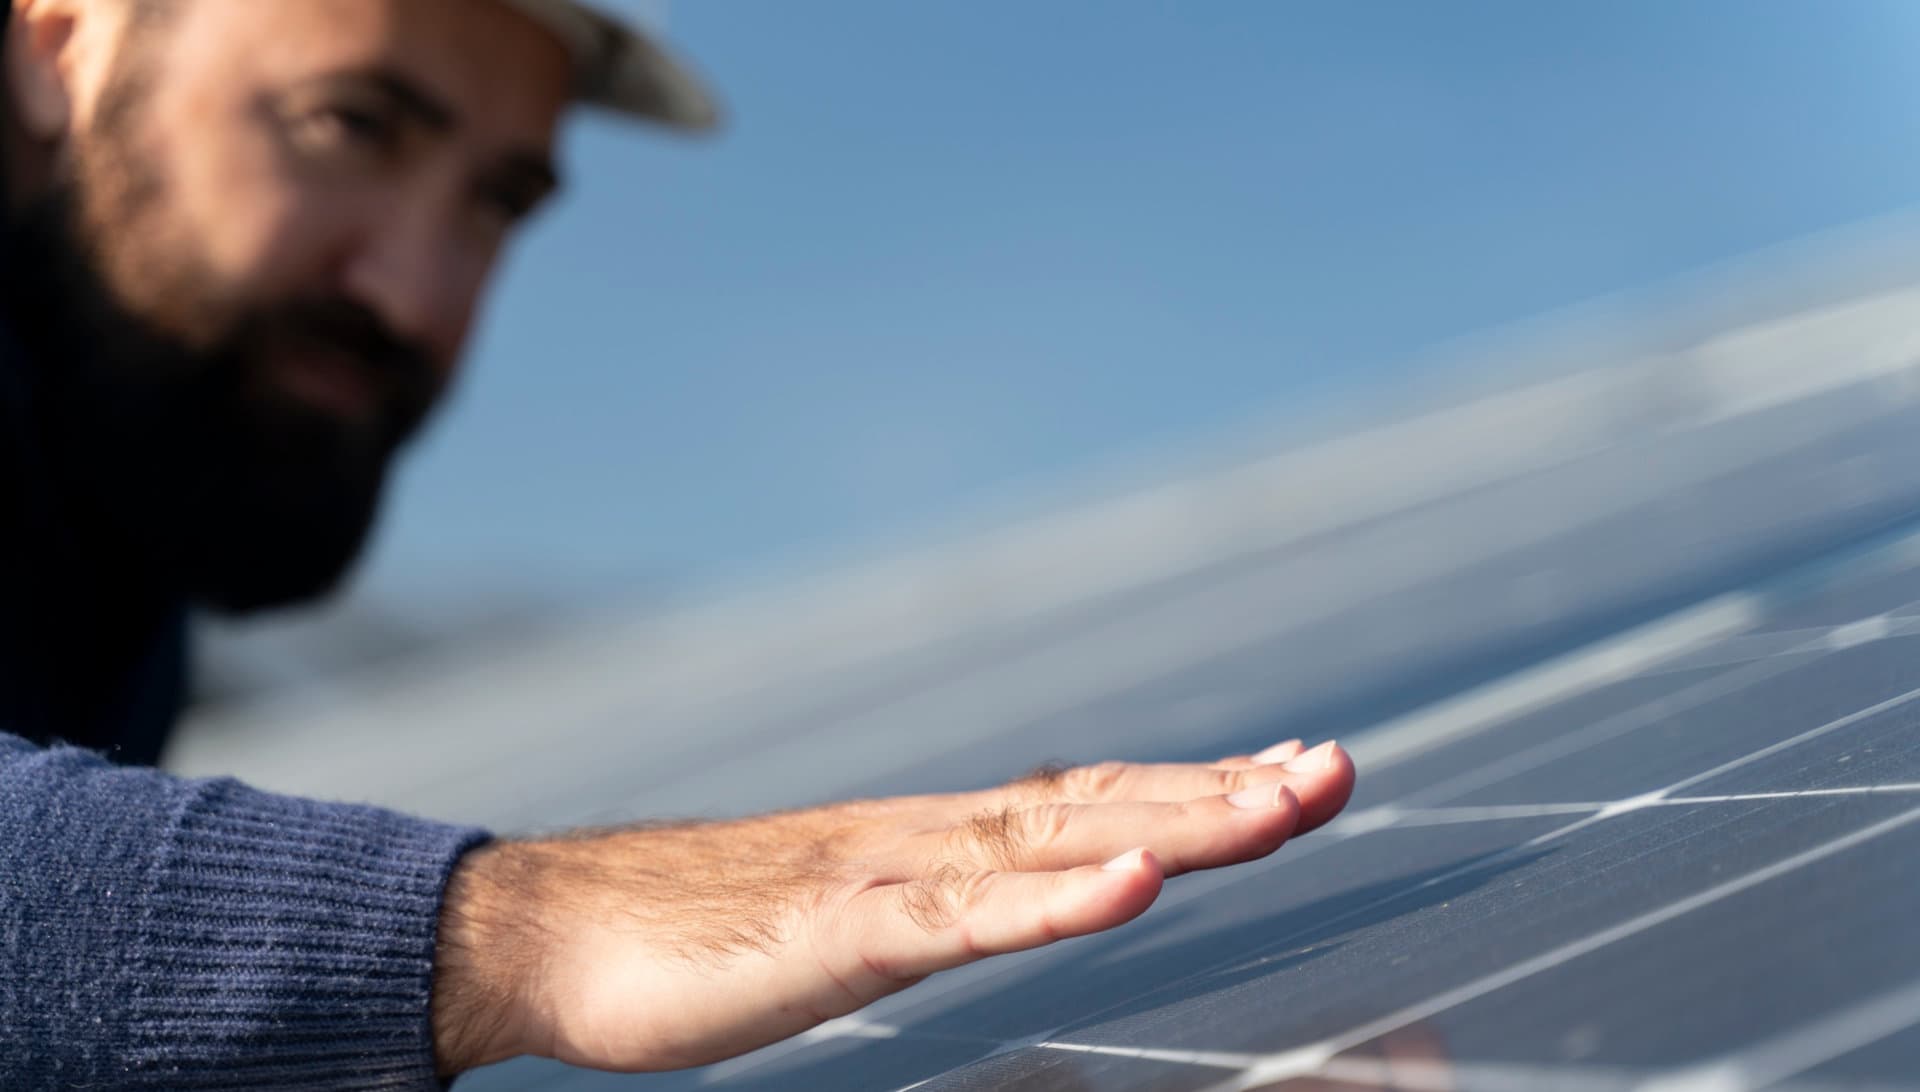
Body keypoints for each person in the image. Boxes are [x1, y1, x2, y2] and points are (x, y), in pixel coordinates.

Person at [0, 0, 1358, 1086]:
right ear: (61, 41)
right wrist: (509, 928)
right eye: (347, 122)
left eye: (497, 202)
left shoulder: (116, 518)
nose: (415, 291)